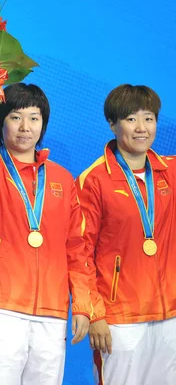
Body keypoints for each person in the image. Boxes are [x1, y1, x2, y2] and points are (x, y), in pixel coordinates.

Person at [0, 77, 94, 384]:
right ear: (2, 123)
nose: (25, 127)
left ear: (43, 124)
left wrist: (83, 303)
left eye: (34, 118)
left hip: (51, 312)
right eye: (15, 117)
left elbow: (76, 247)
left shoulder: (61, 178)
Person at [76, 84, 176, 385]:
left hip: (169, 315)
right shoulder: (94, 180)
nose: (142, 128)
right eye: (131, 119)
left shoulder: (170, 173)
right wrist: (95, 314)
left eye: (149, 118)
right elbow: (80, 254)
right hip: (119, 320)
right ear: (112, 123)